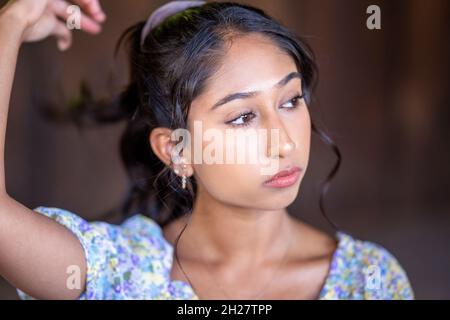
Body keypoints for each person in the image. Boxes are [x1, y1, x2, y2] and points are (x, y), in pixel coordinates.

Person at [0, 0, 414, 300]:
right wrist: (11, 21)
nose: (285, 141)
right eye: (242, 117)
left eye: (290, 100)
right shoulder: (119, 271)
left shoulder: (369, 279)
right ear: (176, 149)